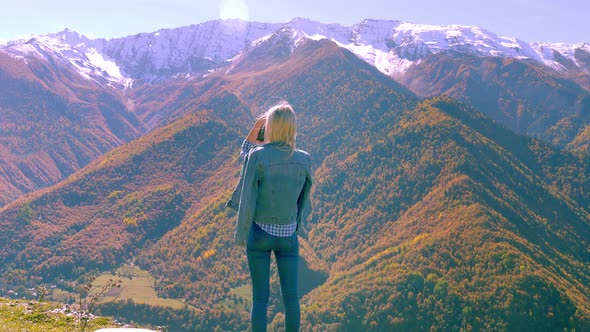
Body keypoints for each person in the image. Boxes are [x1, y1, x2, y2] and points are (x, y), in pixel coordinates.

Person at [227, 102, 313, 332]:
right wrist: (296, 225)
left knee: (260, 299)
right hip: (288, 235)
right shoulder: (303, 159)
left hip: (260, 235)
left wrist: (256, 127)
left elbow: (244, 162)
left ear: (269, 126)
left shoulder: (258, 156)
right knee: (292, 300)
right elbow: (303, 199)